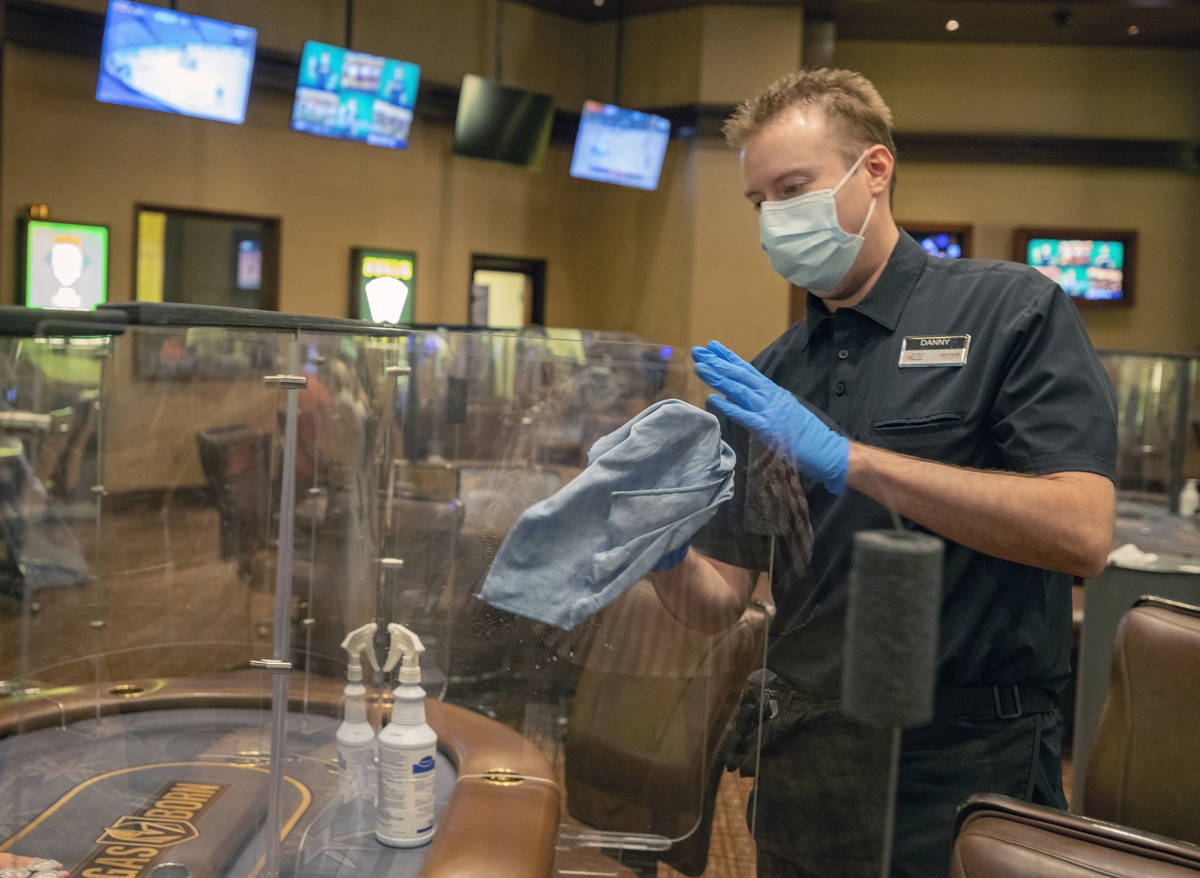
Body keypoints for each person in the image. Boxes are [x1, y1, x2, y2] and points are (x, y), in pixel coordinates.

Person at [649, 68, 1117, 877]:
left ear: (874, 170)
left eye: (794, 187)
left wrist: (849, 460)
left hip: (968, 763)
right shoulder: (770, 376)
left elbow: (1080, 532)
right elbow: (717, 602)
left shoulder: (1011, 311)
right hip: (807, 757)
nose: (775, 219)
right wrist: (655, 547)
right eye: (760, 203)